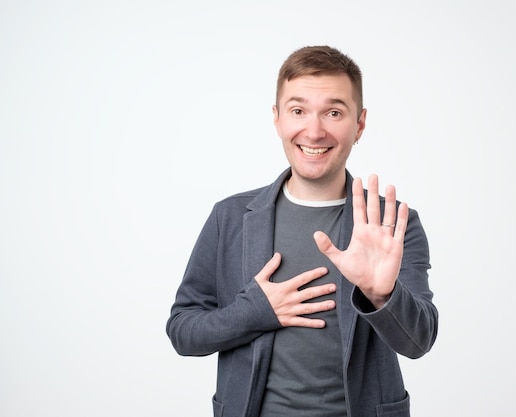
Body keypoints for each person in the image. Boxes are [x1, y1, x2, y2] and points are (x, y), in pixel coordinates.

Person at [166, 45, 438, 417]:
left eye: (334, 112)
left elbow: (418, 342)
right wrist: (254, 312)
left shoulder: (391, 223)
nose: (314, 131)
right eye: (298, 111)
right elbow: (183, 331)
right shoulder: (229, 217)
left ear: (359, 124)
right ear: (277, 119)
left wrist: (382, 294)